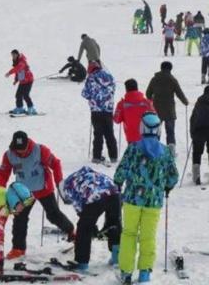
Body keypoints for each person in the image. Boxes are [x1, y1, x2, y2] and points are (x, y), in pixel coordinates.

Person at [114, 112, 179, 284]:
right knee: (148, 237)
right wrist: (166, 186)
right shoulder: (165, 151)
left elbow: (120, 172)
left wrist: (119, 182)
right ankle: (144, 272)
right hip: (154, 201)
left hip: (132, 200)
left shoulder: (133, 148)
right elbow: (173, 176)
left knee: (129, 234)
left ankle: (126, 272)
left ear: (142, 127)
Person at [0, 131, 75, 260]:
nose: (21, 152)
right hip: (24, 192)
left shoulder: (40, 150)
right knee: (20, 218)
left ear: (28, 144)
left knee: (54, 215)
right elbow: (3, 173)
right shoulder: (9, 155)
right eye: (18, 150)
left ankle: (71, 232)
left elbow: (55, 164)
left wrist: (59, 182)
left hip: (44, 189)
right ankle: (18, 248)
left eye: (23, 149)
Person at [58, 167, 122, 272]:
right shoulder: (82, 175)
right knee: (114, 224)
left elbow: (81, 210)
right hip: (115, 193)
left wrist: (90, 227)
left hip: (96, 196)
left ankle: (81, 262)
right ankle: (117, 257)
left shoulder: (68, 187)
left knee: (83, 228)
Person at [145, 61, 189, 155]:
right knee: (170, 131)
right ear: (170, 69)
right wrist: (185, 102)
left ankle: (155, 150)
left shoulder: (154, 79)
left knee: (156, 130)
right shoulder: (172, 79)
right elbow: (179, 93)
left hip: (156, 109)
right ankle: (171, 151)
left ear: (161, 68)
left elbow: (148, 93)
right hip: (169, 109)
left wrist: (152, 99)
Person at [82, 61, 118, 163]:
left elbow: (85, 93)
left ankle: (97, 157)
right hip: (108, 110)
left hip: (96, 110)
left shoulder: (91, 78)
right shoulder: (109, 76)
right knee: (109, 133)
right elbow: (113, 90)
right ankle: (113, 156)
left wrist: (92, 98)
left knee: (98, 133)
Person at [114, 79, 155, 144]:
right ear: (137, 88)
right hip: (146, 136)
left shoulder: (122, 104)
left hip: (131, 137)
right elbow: (155, 117)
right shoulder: (147, 103)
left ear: (126, 89)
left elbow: (116, 120)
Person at [5, 50, 36, 115]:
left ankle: (31, 108)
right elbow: (18, 72)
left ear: (17, 54)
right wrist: (16, 80)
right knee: (18, 95)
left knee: (25, 95)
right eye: (12, 55)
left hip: (28, 81)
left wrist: (9, 73)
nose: (13, 56)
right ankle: (20, 108)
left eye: (14, 55)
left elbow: (18, 68)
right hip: (22, 81)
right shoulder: (16, 61)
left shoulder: (22, 61)